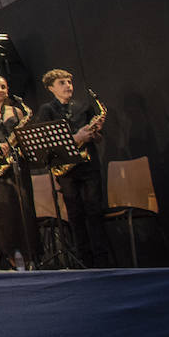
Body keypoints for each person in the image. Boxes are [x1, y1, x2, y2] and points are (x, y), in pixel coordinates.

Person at [36, 68, 112, 268]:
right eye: (62, 83)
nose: (68, 86)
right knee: (76, 216)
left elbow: (97, 140)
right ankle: (85, 262)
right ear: (51, 88)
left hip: (88, 166)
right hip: (67, 171)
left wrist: (95, 133)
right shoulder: (47, 111)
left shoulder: (83, 107)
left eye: (69, 82)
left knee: (95, 212)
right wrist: (76, 137)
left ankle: (103, 262)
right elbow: (45, 142)